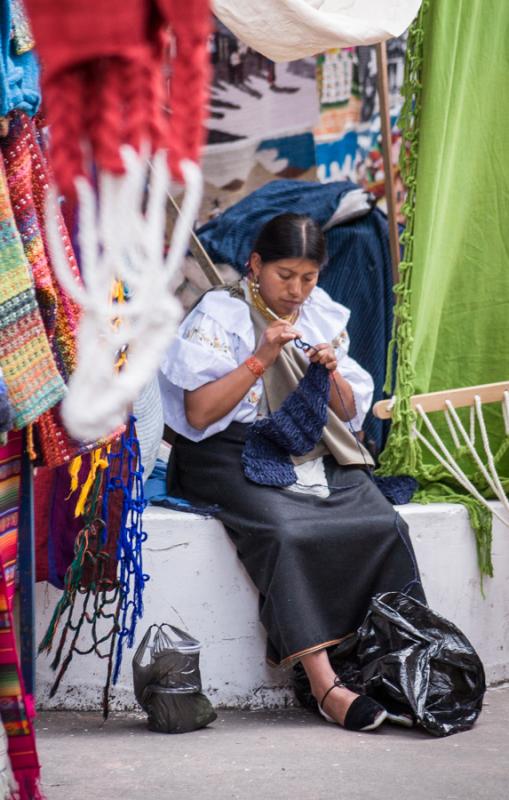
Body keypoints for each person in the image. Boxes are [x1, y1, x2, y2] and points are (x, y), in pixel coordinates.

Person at [159, 213, 426, 732]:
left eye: (309, 276)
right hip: (224, 454)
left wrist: (327, 372)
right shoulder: (219, 315)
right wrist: (261, 357)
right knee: (285, 531)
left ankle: (393, 665)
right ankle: (324, 684)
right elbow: (199, 415)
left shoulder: (320, 314)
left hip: (302, 446)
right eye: (285, 275)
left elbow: (348, 413)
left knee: (382, 522)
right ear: (256, 265)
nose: (297, 290)